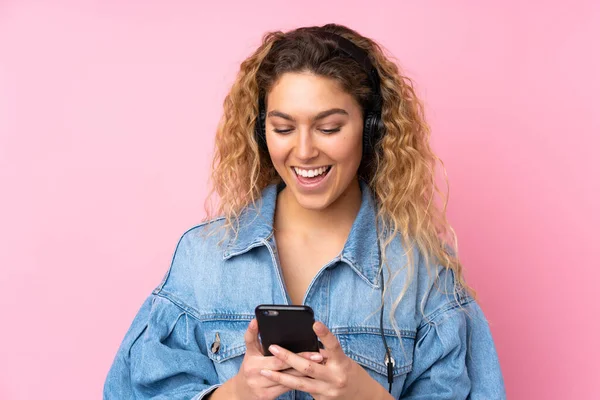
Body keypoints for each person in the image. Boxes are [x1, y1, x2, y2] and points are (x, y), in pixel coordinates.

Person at [103, 23, 506, 400]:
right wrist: (238, 392)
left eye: (329, 128)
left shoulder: (421, 268)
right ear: (262, 133)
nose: (304, 150)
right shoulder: (204, 256)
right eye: (283, 128)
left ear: (371, 129)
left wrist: (362, 395)